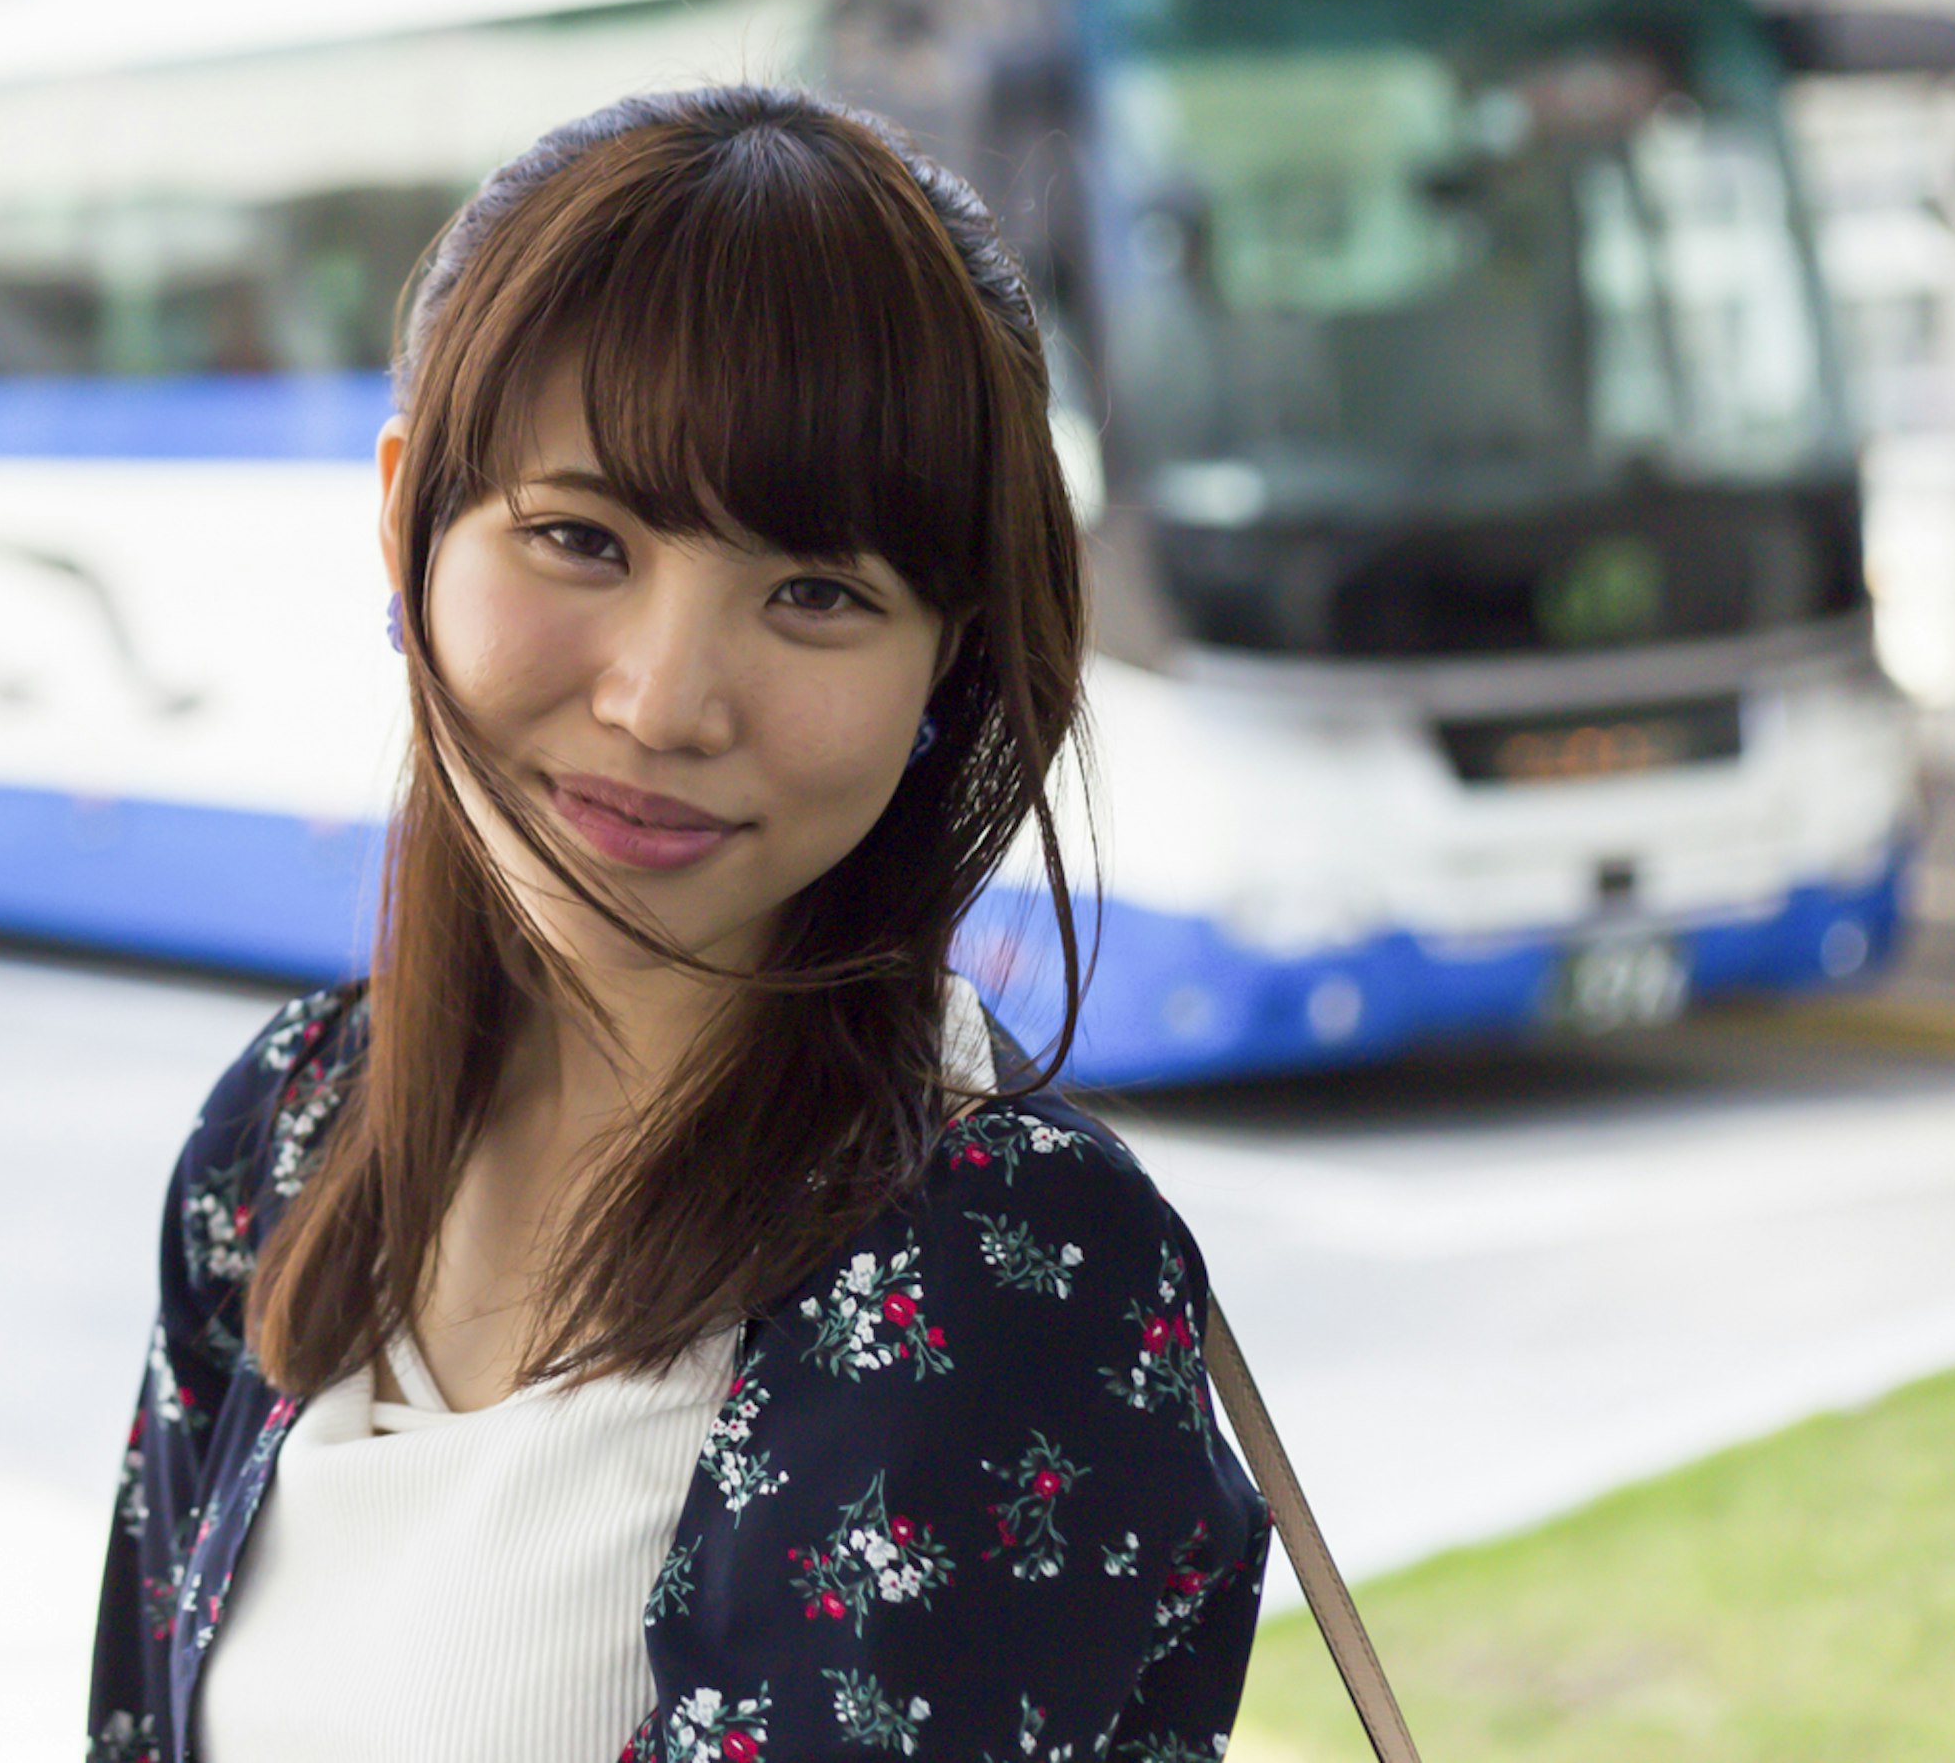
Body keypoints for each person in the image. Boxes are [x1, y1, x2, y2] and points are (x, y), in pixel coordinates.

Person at [88, 86, 1268, 1763]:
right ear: (405, 515)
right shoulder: (285, 1132)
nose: (661, 702)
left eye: (817, 595)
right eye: (580, 538)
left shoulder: (1000, 1260)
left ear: (952, 653)